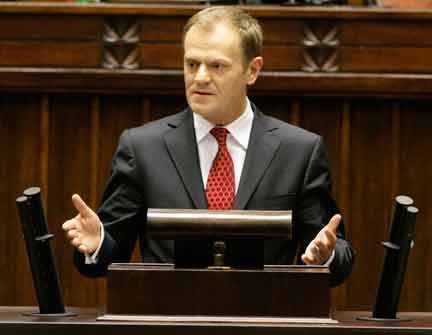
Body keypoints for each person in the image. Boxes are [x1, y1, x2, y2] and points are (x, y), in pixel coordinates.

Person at [63, 6, 354, 287]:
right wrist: (98, 241)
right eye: (192, 64)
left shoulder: (299, 151)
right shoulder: (142, 148)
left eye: (217, 66)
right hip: (168, 318)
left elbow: (336, 252)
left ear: (252, 71)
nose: (200, 77)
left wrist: (326, 255)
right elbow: (112, 253)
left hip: (264, 317)